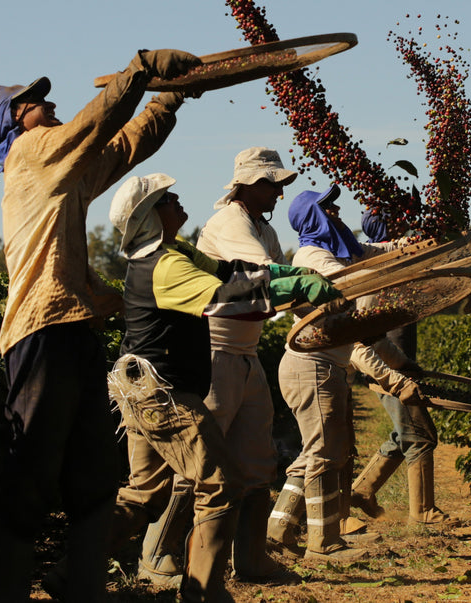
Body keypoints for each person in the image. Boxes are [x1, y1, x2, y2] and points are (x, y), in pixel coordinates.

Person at [0, 47, 198, 603]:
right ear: (14, 122)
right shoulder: (30, 154)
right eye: (32, 102)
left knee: (94, 479)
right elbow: (93, 124)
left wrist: (167, 101)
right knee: (31, 476)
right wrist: (140, 70)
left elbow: (121, 146)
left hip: (72, 329)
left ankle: (82, 591)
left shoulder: (64, 175)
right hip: (39, 333)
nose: (47, 103)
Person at [105, 173, 343, 603]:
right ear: (150, 217)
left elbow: (229, 269)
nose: (179, 201)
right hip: (164, 392)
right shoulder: (166, 265)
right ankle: (203, 592)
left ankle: (71, 573)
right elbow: (227, 295)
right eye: (168, 199)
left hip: (145, 387)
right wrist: (296, 286)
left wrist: (291, 273)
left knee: (146, 492)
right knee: (216, 483)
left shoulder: (175, 251)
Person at [136, 147, 300, 586]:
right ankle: (157, 557)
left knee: (256, 461)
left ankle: (250, 559)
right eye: (272, 185)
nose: (278, 195)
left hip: (245, 355)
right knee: (198, 464)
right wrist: (302, 282)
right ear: (247, 183)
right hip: (215, 355)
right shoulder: (231, 223)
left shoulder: (262, 227)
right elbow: (264, 276)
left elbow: (277, 289)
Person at [268, 186, 425, 559]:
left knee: (316, 452)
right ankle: (324, 543)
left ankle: (279, 530)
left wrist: (421, 243)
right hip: (312, 366)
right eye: (329, 207)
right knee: (325, 453)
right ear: (316, 217)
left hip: (321, 365)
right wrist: (396, 380)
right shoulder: (316, 258)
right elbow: (360, 322)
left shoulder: (337, 253)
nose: (338, 210)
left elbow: (375, 260)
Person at [349, 211, 453, 526]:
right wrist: (393, 372)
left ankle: (362, 490)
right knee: (419, 434)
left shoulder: (394, 265)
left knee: (406, 432)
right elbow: (364, 334)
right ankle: (422, 513)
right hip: (385, 370)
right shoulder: (376, 271)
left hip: (395, 365)